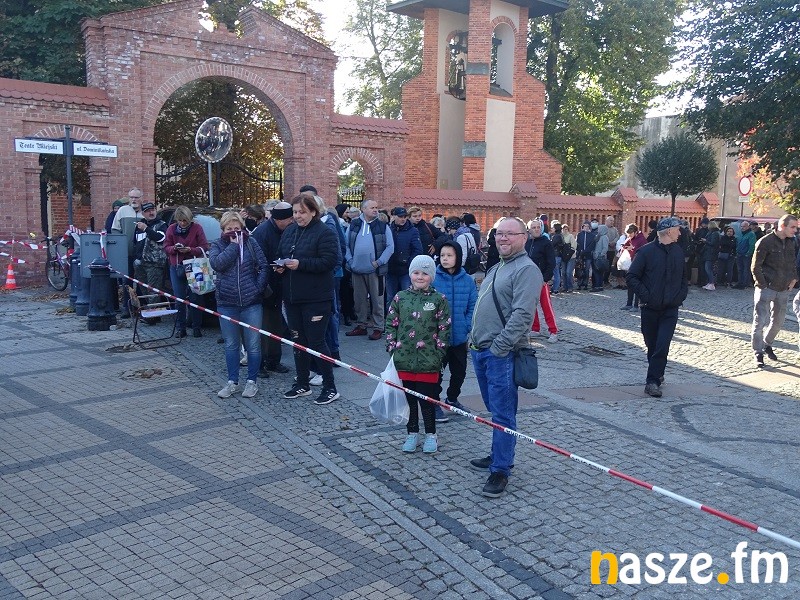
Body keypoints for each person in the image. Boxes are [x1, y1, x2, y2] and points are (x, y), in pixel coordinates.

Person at [469, 217, 542, 498]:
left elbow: (523, 315)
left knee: (503, 412)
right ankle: (499, 453)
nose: (503, 238)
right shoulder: (498, 266)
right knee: (494, 408)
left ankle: (500, 469)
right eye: (499, 234)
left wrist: (499, 347)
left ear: (524, 237)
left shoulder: (526, 269)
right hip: (481, 350)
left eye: (510, 234)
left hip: (501, 354)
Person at [277, 194, 341, 404]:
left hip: (316, 298)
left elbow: (330, 261)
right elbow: (281, 253)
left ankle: (330, 387)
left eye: (302, 212)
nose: (297, 216)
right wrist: (280, 266)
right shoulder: (289, 231)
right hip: (293, 297)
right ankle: (302, 383)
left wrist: (301, 264)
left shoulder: (325, 232)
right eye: (295, 212)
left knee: (316, 341)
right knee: (298, 341)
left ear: (313, 211)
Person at [386, 255, 451, 454]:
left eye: (424, 273)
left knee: (427, 401)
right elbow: (391, 324)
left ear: (431, 276)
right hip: (404, 359)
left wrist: (439, 354)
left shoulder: (438, 300)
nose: (420, 277)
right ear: (410, 274)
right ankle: (412, 433)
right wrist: (392, 348)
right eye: (416, 272)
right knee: (410, 401)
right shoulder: (400, 298)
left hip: (428, 361)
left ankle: (431, 434)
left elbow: (444, 328)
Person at [209, 211, 269, 399]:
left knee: (253, 345)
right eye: (229, 228)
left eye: (237, 228)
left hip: (251, 302)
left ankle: (252, 381)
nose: (234, 232)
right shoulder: (217, 244)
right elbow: (217, 264)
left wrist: (257, 288)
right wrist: (234, 246)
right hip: (227, 302)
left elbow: (264, 266)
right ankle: (232, 381)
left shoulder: (251, 242)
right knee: (231, 344)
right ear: (223, 229)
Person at [626, 217, 688, 398]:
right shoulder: (646, 252)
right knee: (652, 345)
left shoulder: (678, 251)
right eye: (677, 229)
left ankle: (652, 382)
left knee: (662, 345)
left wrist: (680, 295)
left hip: (670, 309)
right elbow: (632, 277)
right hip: (650, 308)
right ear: (669, 231)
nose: (680, 233)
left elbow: (684, 278)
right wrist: (646, 296)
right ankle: (657, 372)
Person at [433, 241, 477, 423]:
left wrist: (466, 325)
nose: (445, 259)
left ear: (458, 257)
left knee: (459, 372)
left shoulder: (467, 280)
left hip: (459, 336)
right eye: (442, 255)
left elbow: (473, 305)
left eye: (449, 255)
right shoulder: (433, 278)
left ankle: (452, 398)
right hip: (438, 338)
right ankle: (434, 403)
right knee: (436, 373)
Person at [750, 214, 799, 368]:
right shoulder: (765, 242)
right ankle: (758, 352)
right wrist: (762, 284)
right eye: (793, 227)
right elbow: (755, 266)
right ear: (782, 226)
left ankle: (767, 343)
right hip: (766, 288)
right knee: (760, 322)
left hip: (783, 289)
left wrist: (794, 278)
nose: (795, 230)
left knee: (778, 322)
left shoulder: (792, 242)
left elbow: (792, 263)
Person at [252, 201, 294, 374]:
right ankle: (260, 363)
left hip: (279, 284)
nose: (292, 221)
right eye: (290, 218)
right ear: (279, 220)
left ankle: (273, 361)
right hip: (265, 286)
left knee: (275, 325)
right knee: (263, 326)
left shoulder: (286, 229)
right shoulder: (262, 233)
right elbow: (257, 262)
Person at [345, 199, 395, 341]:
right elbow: (346, 244)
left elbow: (390, 247)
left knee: (377, 300)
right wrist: (350, 261)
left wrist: (379, 262)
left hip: (375, 271)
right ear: (363, 209)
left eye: (376, 207)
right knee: (359, 300)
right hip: (356, 269)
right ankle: (361, 325)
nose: (375, 210)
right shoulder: (354, 225)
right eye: (372, 207)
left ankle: (378, 327)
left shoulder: (383, 226)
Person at [164, 206, 209, 338]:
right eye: (180, 221)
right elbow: (166, 247)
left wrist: (190, 250)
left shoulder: (197, 228)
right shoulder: (171, 229)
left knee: (196, 297)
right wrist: (174, 248)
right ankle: (180, 328)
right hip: (177, 266)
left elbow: (204, 246)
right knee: (179, 298)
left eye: (185, 221)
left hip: (194, 266)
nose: (183, 223)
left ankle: (196, 327)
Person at [525, 218, 558, 342]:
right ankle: (535, 328)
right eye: (534, 227)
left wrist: (545, 279)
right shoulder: (527, 243)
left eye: (538, 227)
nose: (536, 229)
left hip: (541, 279)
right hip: (529, 279)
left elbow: (551, 263)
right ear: (529, 230)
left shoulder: (546, 243)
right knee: (531, 306)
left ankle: (553, 331)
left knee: (546, 306)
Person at [386, 206, 423, 309]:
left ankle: (407, 316)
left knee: (407, 296)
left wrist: (408, 262)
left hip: (405, 270)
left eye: (405, 217)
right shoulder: (388, 229)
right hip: (391, 269)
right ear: (394, 217)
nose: (403, 219)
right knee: (390, 297)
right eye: (400, 217)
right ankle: (391, 317)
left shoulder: (413, 230)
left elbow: (418, 250)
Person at [132, 202, 168, 300]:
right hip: (139, 264)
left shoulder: (162, 224)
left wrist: (146, 229)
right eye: (147, 211)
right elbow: (135, 243)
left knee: (153, 293)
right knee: (144, 292)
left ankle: (154, 310)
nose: (151, 213)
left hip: (154, 265)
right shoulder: (139, 225)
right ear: (143, 213)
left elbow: (160, 238)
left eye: (152, 210)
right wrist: (136, 259)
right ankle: (148, 308)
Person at [619, 224, 646, 310]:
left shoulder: (642, 239)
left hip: (639, 265)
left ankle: (636, 305)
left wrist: (633, 248)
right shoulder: (630, 238)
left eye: (630, 234)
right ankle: (629, 304)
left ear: (635, 232)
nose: (629, 236)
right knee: (630, 284)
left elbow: (642, 252)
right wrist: (624, 248)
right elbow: (623, 247)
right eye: (628, 234)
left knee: (637, 284)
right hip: (630, 264)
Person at [733, 220, 756, 288]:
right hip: (739, 254)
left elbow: (752, 245)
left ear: (748, 227)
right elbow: (738, 244)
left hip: (746, 255)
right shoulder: (741, 234)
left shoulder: (751, 234)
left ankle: (745, 284)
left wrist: (748, 253)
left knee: (746, 270)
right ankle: (740, 282)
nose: (742, 228)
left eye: (744, 226)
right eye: (741, 226)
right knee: (740, 270)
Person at [575, 221, 596, 290]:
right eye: (585, 226)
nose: (586, 227)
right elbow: (577, 244)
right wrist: (580, 251)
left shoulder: (592, 235)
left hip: (588, 255)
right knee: (579, 269)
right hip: (580, 254)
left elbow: (592, 245)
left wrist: (586, 251)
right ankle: (579, 283)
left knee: (586, 269)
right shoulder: (579, 234)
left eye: (587, 226)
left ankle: (585, 283)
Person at [701, 221, 720, 290]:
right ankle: (710, 282)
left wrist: (705, 241)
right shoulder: (712, 233)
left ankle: (712, 283)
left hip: (711, 253)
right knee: (708, 269)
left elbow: (713, 243)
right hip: (709, 253)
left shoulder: (715, 233)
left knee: (708, 269)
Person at [591, 224, 609, 291]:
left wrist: (601, 254)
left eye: (599, 229)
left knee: (598, 272)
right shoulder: (599, 236)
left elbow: (605, 248)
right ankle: (599, 285)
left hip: (600, 257)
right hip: (596, 256)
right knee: (597, 272)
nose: (598, 230)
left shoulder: (604, 237)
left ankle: (598, 286)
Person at [560, 223, 576, 293]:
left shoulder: (571, 236)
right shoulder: (561, 237)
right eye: (563, 229)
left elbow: (574, 246)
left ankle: (570, 287)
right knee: (563, 272)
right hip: (563, 257)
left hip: (571, 257)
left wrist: (569, 255)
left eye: (566, 229)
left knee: (568, 272)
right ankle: (564, 286)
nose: (564, 230)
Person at [604, 216, 619, 285]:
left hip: (611, 250)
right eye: (611, 220)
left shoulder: (615, 229)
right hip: (605, 250)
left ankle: (606, 280)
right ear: (606, 221)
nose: (612, 222)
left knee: (609, 265)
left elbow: (617, 237)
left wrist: (614, 242)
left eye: (613, 220)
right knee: (604, 265)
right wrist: (608, 243)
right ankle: (601, 280)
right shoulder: (603, 228)